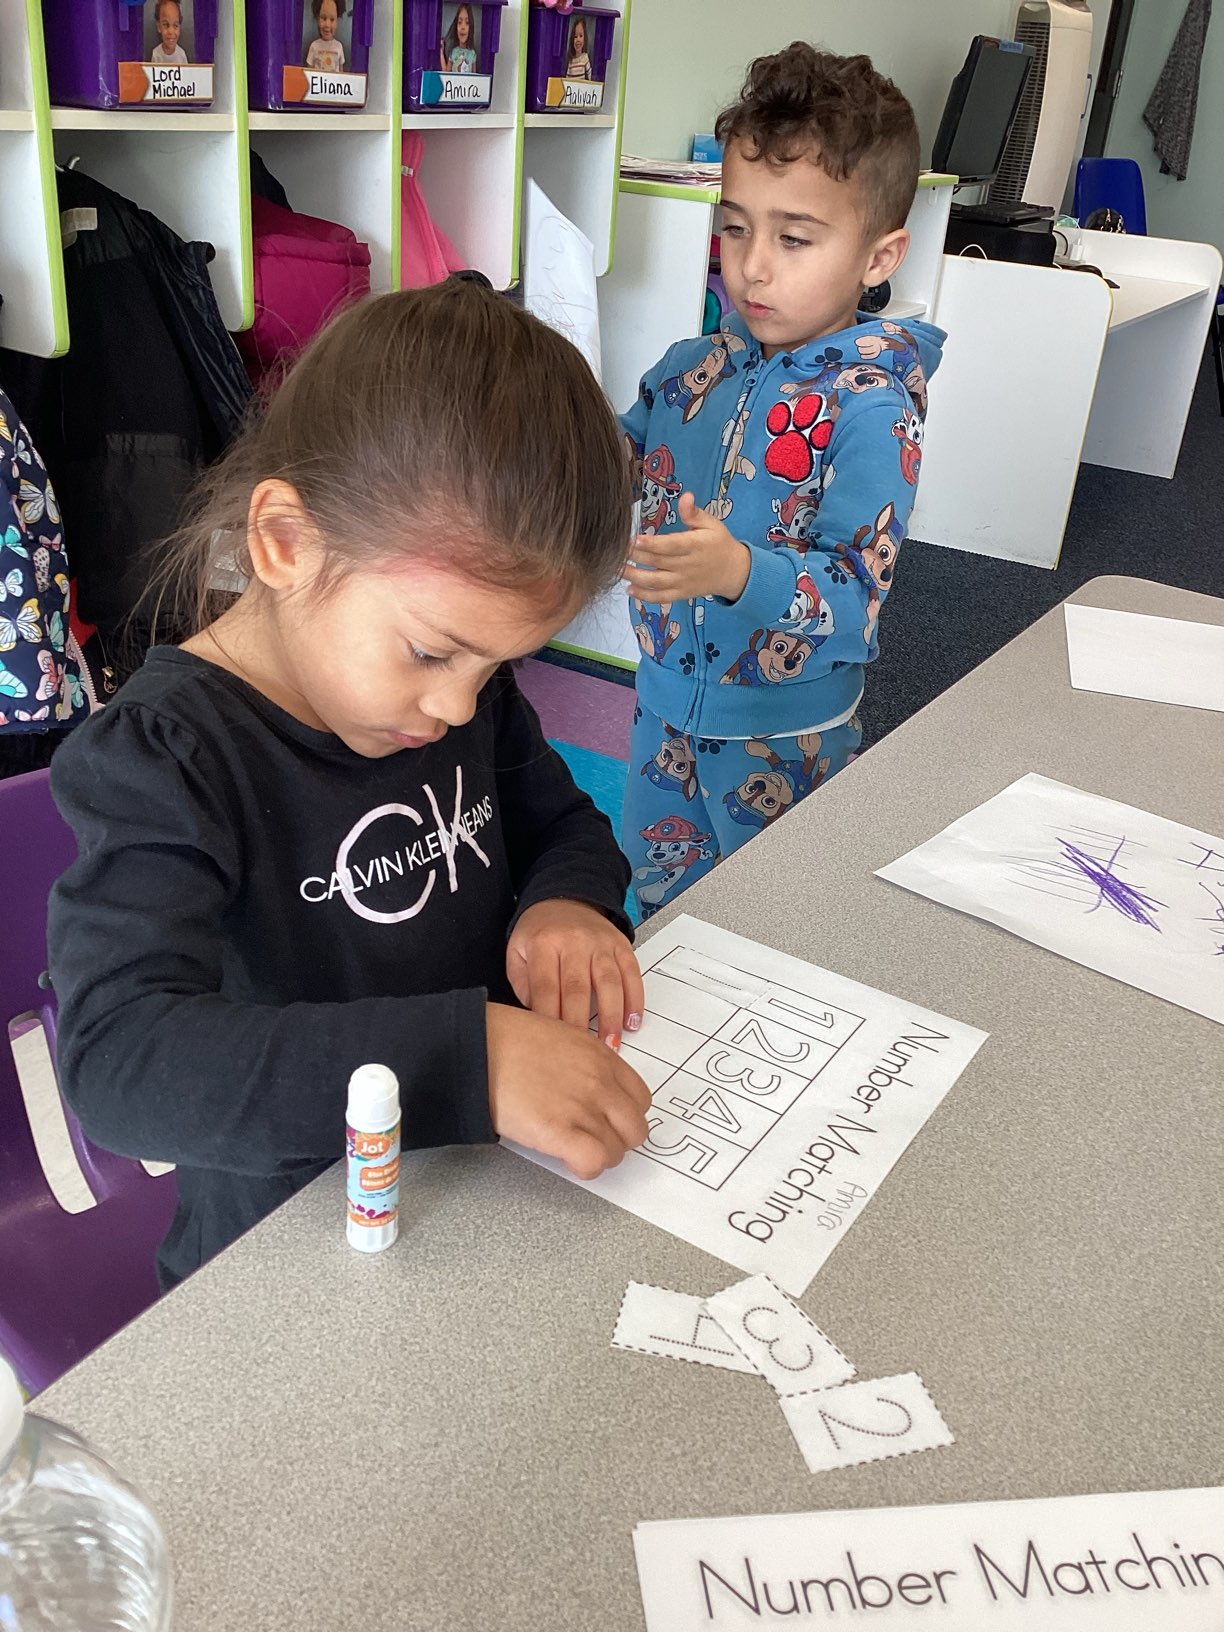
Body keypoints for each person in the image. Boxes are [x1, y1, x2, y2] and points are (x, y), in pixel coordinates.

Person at [48, 280, 651, 1289]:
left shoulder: (450, 698)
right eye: (433, 652)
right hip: (295, 1257)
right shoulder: (162, 760)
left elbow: (562, 822)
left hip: (482, 1189)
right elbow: (122, 1064)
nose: (459, 705)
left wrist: (570, 904)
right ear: (286, 543)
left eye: (497, 666)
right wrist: (470, 1060)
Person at [619, 43, 945, 920]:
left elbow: (855, 595)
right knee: (660, 911)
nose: (752, 265)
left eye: (794, 238)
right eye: (735, 228)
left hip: (787, 736)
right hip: (661, 713)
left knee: (778, 924)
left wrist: (738, 572)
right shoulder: (688, 368)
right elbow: (613, 456)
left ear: (879, 257)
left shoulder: (873, 408)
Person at [306, 0, 345, 73]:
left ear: (337, 22)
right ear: (318, 20)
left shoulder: (339, 46)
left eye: (332, 20)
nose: (327, 25)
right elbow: (308, 72)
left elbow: (341, 72)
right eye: (324, 18)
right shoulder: (314, 46)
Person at [440, 3, 477, 73]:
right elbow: (446, 72)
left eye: (467, 23)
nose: (463, 27)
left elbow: (475, 76)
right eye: (460, 22)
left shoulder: (472, 54)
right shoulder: (453, 52)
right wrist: (441, 52)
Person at [150, 0, 187, 65]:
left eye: (175, 25)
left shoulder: (181, 54)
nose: (171, 31)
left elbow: (186, 71)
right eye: (166, 25)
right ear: (159, 27)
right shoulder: (156, 54)